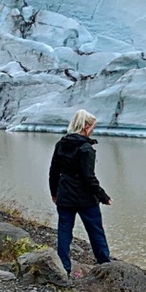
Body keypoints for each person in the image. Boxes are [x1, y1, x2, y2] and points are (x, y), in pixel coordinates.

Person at [50, 109, 113, 277]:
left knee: (64, 231)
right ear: (86, 127)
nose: (93, 130)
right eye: (92, 127)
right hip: (85, 198)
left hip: (64, 195)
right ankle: (105, 264)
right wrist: (103, 196)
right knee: (95, 230)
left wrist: (54, 192)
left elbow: (53, 171)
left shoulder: (61, 144)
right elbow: (88, 177)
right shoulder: (86, 148)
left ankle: (64, 266)